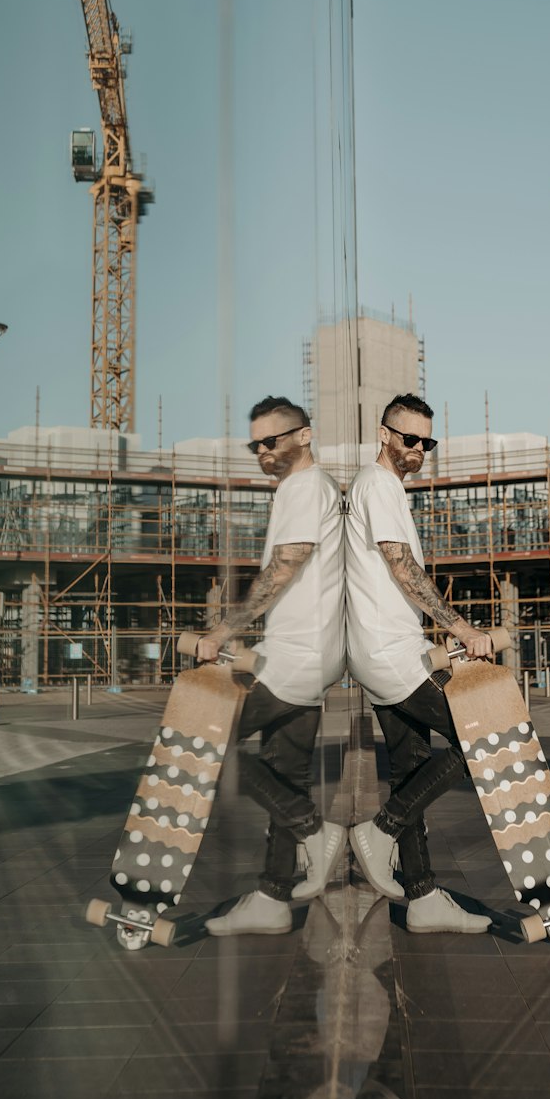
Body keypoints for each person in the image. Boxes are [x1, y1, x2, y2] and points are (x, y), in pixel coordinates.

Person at [344, 392, 496, 934]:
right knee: (482, 737)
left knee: (412, 769)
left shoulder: (384, 489)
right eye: (409, 438)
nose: (418, 449)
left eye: (426, 442)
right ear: (384, 435)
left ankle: (424, 897)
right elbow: (401, 566)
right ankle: (380, 831)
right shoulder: (378, 484)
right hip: (391, 654)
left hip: (385, 651)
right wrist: (461, 629)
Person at [199, 396, 346, 935]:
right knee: (285, 775)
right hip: (304, 654)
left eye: (274, 440)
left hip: (295, 656)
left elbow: (286, 565)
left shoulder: (305, 487)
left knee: (205, 745)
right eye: (255, 444)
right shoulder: (307, 488)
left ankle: (316, 830)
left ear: (304, 436)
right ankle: (272, 897)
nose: (263, 451)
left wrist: (224, 630)